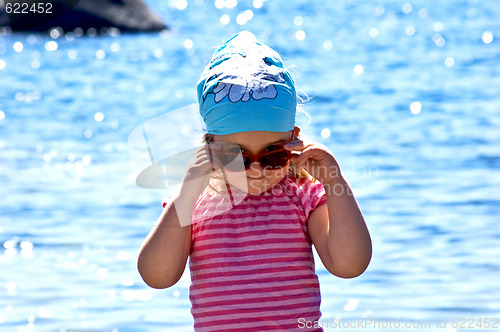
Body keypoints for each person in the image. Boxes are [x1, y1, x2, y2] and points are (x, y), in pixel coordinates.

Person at [137, 31, 372, 331]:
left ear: (294, 140)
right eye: (237, 156)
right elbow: (157, 276)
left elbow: (349, 264)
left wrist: (334, 182)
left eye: (273, 155)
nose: (257, 169)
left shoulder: (303, 195)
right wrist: (185, 197)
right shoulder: (195, 202)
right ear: (209, 149)